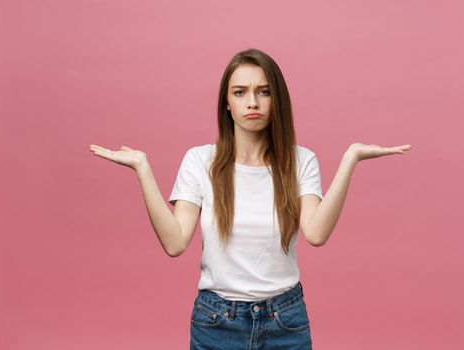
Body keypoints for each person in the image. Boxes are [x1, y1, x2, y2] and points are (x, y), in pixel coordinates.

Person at [89, 48, 412, 349]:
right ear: (227, 104)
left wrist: (350, 160)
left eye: (264, 91)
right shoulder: (200, 161)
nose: (252, 103)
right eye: (240, 92)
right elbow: (174, 243)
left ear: (277, 100)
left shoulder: (301, 161)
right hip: (216, 321)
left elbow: (316, 234)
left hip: (284, 319)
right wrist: (143, 170)